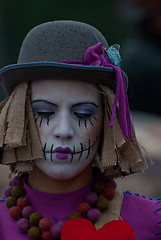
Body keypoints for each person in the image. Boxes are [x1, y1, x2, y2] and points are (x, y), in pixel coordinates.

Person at [0, 20, 160, 240]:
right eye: (45, 112)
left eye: (83, 114)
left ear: (105, 123)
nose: (64, 131)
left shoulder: (152, 222)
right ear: (19, 118)